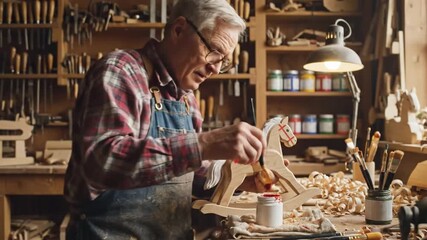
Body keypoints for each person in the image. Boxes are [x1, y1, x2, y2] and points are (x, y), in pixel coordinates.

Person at [64, 0, 269, 239]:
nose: (215, 68)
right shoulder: (121, 71)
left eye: (224, 61)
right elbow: (102, 162)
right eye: (214, 51)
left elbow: (183, 174)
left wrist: (237, 177)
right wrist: (203, 144)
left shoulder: (186, 98)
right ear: (179, 29)